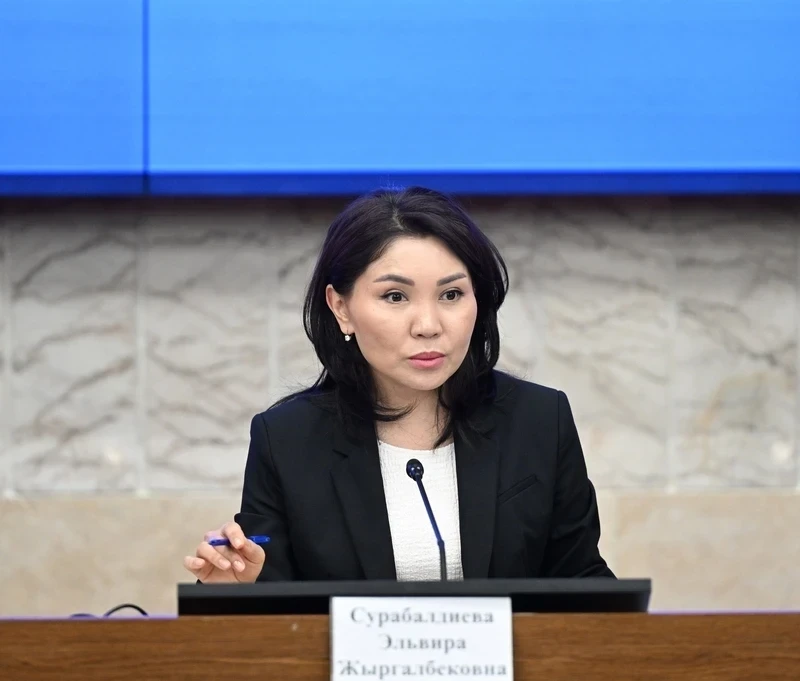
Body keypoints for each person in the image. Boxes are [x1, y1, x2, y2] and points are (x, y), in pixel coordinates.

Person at [184, 186, 614, 583]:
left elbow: (583, 583)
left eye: (451, 295)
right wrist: (236, 591)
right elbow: (274, 609)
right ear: (341, 308)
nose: (428, 325)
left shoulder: (540, 420)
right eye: (395, 296)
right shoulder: (287, 441)